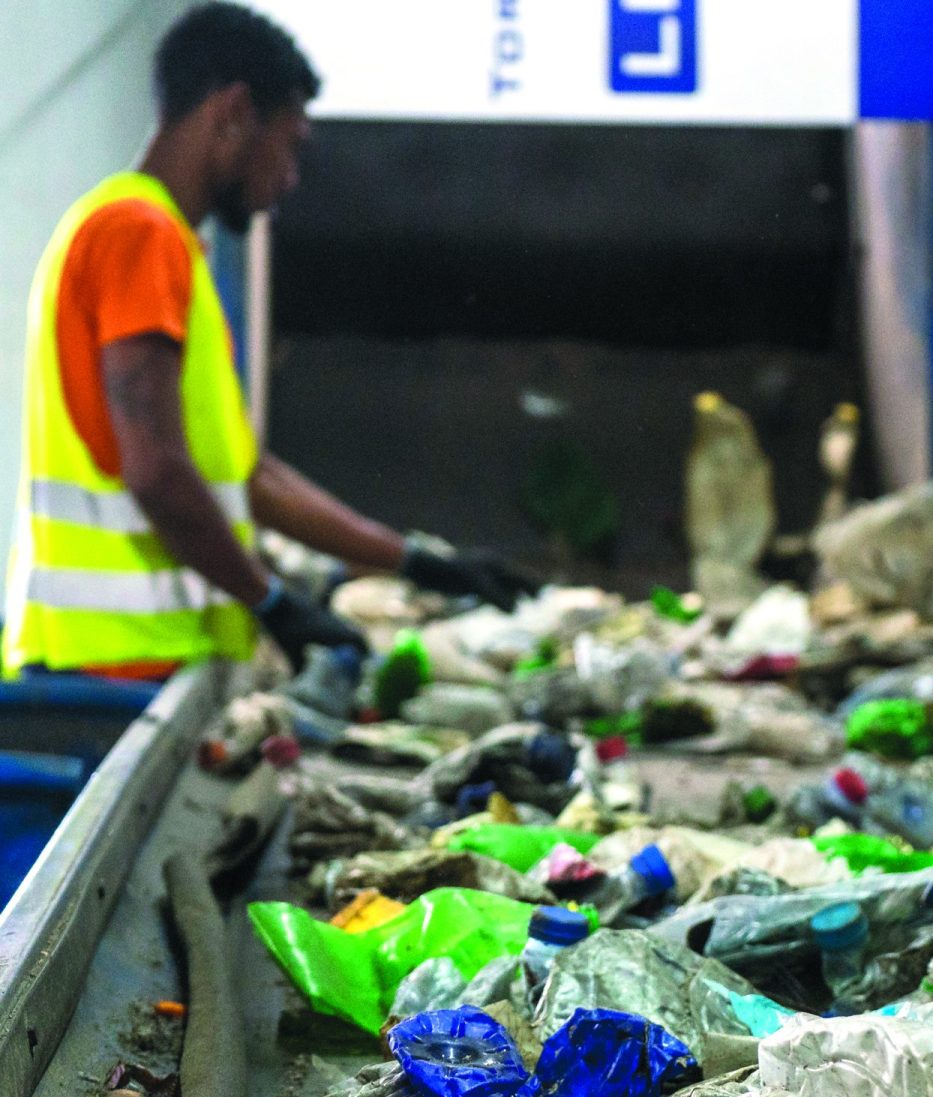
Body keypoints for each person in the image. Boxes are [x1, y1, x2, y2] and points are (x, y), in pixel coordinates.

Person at [2, 2, 534, 682]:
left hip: (135, 664)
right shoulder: (138, 235)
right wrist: (271, 600)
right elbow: (157, 471)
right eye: (291, 143)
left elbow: (249, 479)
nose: (288, 178)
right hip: (108, 669)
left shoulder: (164, 248)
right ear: (233, 114)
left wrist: (420, 562)